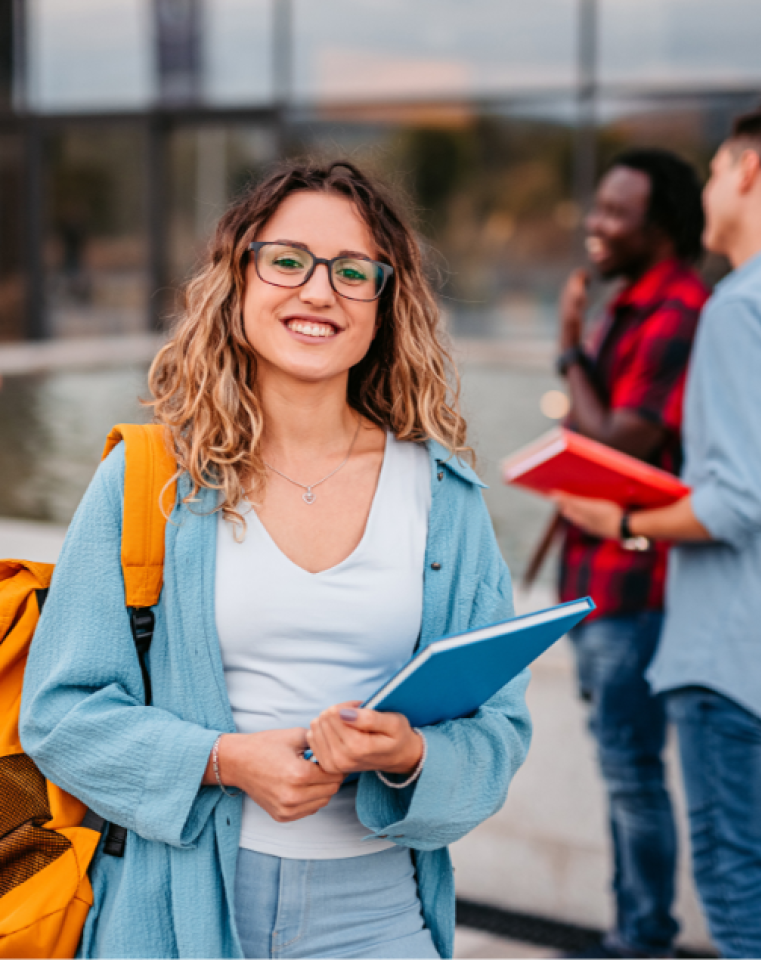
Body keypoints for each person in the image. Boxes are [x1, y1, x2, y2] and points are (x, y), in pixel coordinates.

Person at [20, 160, 532, 960]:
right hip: (176, 913)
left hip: (378, 919)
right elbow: (59, 714)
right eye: (287, 260)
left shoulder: (443, 499)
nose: (319, 291)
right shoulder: (150, 478)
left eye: (353, 271)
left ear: (385, 303)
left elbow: (498, 731)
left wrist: (411, 756)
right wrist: (224, 761)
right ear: (238, 278)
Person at [556, 98, 761, 959]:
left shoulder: (744, 305)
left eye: (711, 170)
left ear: (744, 170)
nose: (703, 189)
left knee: (737, 878)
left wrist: (618, 518)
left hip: (729, 649)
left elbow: (743, 499)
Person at [553, 149, 708, 958]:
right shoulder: (630, 304)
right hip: (596, 578)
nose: (597, 225)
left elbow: (618, 445)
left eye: (617, 213)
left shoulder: (679, 311)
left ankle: (642, 940)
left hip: (638, 585)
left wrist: (570, 349)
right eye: (598, 207)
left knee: (631, 773)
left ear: (662, 227)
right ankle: (630, 932)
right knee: (621, 770)